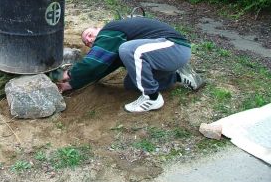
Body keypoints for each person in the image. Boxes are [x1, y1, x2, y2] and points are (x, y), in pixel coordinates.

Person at [56, 17, 205, 113]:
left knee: (128, 49)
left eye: (89, 34)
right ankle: (178, 75)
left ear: (98, 28)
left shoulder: (110, 30)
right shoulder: (114, 44)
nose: (89, 40)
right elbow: (102, 67)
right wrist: (71, 84)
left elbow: (93, 62)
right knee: (132, 83)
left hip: (174, 46)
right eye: (86, 42)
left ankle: (152, 98)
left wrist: (67, 74)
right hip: (166, 56)